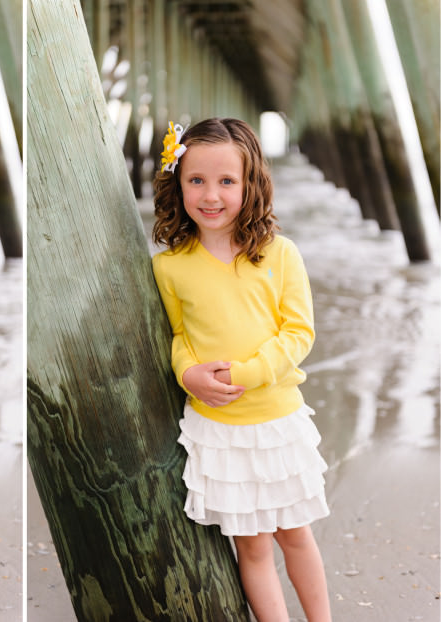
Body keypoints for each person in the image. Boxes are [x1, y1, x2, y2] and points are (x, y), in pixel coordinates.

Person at [151, 118, 331, 621]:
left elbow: (299, 333)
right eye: (197, 181)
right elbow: (179, 336)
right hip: (220, 429)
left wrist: (249, 373)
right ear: (178, 183)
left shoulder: (279, 254)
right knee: (253, 549)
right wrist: (188, 375)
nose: (211, 195)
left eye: (227, 181)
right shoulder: (170, 266)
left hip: (277, 422)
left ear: (252, 185)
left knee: (295, 535)